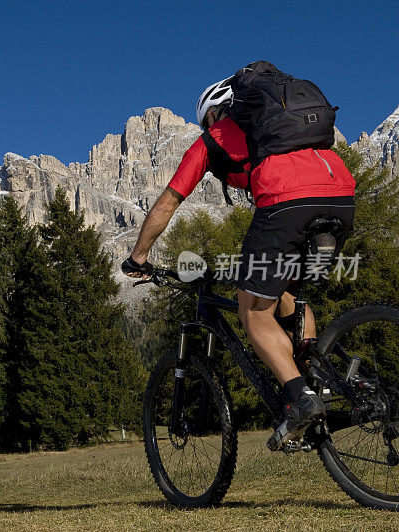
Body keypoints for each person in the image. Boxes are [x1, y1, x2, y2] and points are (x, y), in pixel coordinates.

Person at [122, 76, 356, 447]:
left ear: (213, 113)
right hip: (340, 193)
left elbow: (167, 203)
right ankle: (318, 376)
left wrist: (139, 257)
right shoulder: (282, 128)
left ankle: (301, 399)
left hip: (286, 203)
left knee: (252, 312)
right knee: (287, 294)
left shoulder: (214, 138)